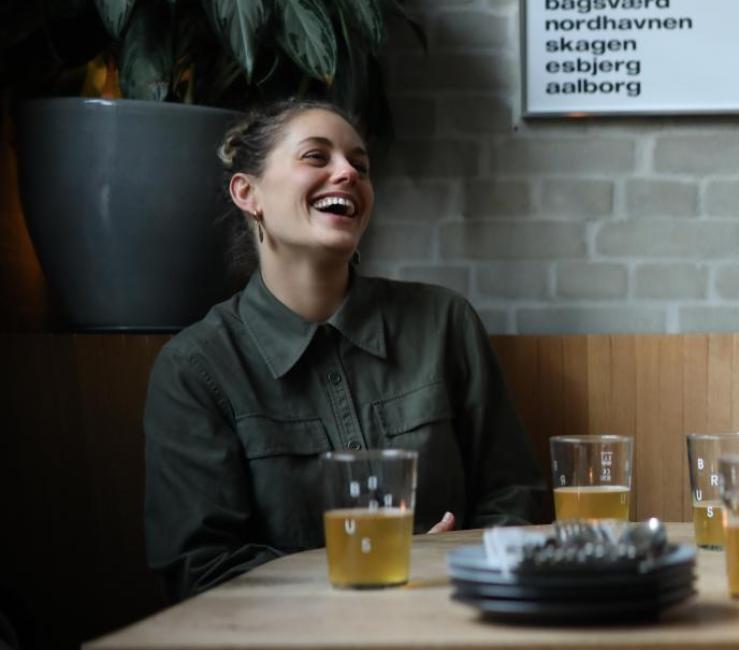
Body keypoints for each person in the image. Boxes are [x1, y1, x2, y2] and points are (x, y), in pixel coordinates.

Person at [143, 99, 545, 601]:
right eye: (317, 157)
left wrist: (462, 562)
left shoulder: (445, 322)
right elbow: (200, 567)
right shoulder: (196, 369)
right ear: (248, 193)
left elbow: (514, 494)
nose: (347, 173)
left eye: (361, 165)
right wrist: (360, 572)